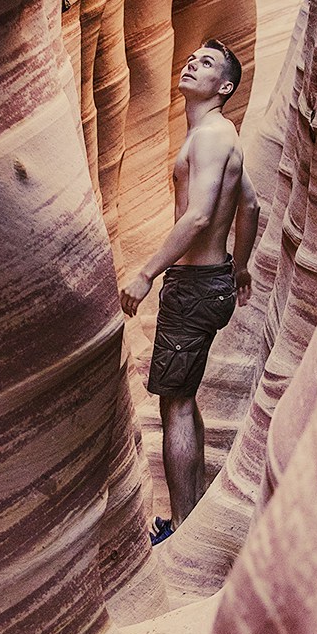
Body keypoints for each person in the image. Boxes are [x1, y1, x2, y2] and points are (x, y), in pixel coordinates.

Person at [120, 38, 260, 540]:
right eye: (192, 58)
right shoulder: (224, 135)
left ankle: (180, 528)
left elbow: (199, 215)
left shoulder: (208, 138)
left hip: (194, 285)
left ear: (224, 87)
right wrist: (238, 267)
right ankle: (192, 512)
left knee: (174, 402)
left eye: (206, 64)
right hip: (213, 280)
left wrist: (147, 271)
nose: (191, 64)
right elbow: (251, 207)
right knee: (185, 394)